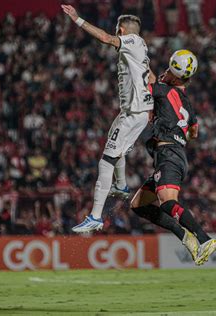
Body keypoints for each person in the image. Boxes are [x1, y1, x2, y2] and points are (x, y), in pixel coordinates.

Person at [61, 5, 154, 232]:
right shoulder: (141, 47)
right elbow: (150, 76)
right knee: (115, 145)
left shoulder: (130, 41)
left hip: (133, 114)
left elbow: (104, 38)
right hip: (136, 112)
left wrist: (77, 19)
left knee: (106, 161)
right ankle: (121, 186)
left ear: (121, 31)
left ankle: (95, 216)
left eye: (117, 31)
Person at [130, 50, 216, 265]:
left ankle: (204, 238)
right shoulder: (187, 104)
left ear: (177, 76)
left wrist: (134, 59)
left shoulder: (162, 90)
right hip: (176, 155)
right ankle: (184, 236)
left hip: (168, 154)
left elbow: (146, 83)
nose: (165, 72)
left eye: (170, 70)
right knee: (138, 205)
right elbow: (194, 132)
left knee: (167, 202)